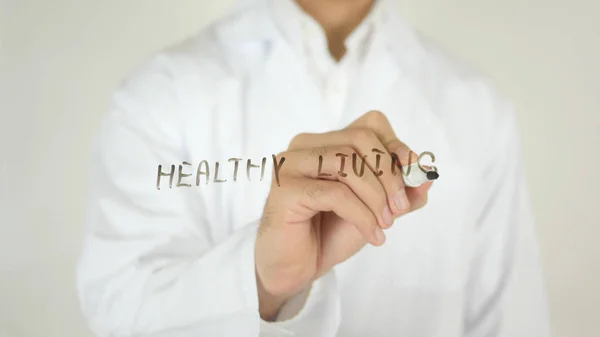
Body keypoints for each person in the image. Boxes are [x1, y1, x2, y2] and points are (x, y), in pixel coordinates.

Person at [76, 0, 551, 336]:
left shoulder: (478, 108)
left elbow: (512, 321)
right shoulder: (160, 95)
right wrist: (264, 282)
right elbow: (120, 308)